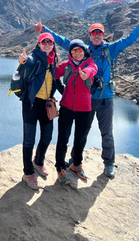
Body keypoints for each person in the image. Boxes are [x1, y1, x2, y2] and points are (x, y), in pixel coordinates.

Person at [35, 9, 139, 178]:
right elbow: (62, 41)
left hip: (106, 97)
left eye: (99, 33)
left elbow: (130, 40)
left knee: (107, 132)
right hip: (87, 99)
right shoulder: (83, 50)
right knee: (83, 132)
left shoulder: (110, 49)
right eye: (93, 33)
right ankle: (76, 161)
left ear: (103, 35)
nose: (96, 35)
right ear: (89, 35)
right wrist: (44, 29)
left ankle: (109, 163)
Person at [17, 32, 60, 189]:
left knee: (47, 137)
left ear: (53, 44)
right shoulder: (35, 57)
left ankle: (38, 162)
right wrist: (22, 60)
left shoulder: (54, 60)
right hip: (31, 104)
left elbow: (57, 81)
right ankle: (28, 173)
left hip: (46, 104)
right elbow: (28, 61)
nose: (47, 44)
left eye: (50, 42)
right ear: (39, 44)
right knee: (29, 140)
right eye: (44, 42)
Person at [54, 39, 98, 185]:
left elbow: (93, 70)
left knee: (80, 138)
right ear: (70, 53)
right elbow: (53, 74)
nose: (77, 53)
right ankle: (60, 168)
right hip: (66, 107)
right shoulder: (66, 66)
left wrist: (85, 73)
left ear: (84, 51)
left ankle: (76, 164)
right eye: (74, 51)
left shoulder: (90, 64)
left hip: (84, 108)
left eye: (80, 50)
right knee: (63, 139)